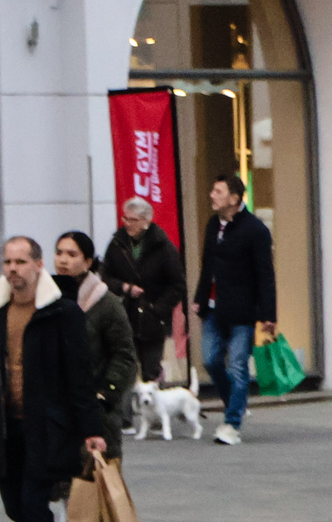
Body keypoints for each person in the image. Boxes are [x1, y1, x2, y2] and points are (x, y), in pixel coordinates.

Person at [0, 235, 108, 522]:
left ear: (38, 265)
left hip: (46, 426)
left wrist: (92, 429)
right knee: (14, 504)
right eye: (8, 262)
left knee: (32, 499)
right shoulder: (1, 311)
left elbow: (80, 376)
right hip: (7, 425)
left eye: (20, 262)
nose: (13, 269)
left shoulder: (61, 313)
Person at [57, 232, 133, 522]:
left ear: (88, 261)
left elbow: (123, 356)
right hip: (58, 408)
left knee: (95, 482)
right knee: (62, 486)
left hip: (97, 407)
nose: (64, 260)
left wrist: (106, 396)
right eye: (59, 253)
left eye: (72, 254)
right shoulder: (49, 299)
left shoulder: (105, 303)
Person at [191, 173, 275, 445]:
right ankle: (235, 405)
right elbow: (208, 266)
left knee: (238, 365)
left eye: (218, 191)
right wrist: (199, 297)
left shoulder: (255, 230)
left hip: (242, 310)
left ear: (234, 197)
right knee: (211, 360)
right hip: (214, 308)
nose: (212, 195)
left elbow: (265, 274)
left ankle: (232, 424)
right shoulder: (213, 225)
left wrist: (268, 314)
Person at [103, 197, 184, 388]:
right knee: (126, 367)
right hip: (125, 314)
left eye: (133, 220)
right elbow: (105, 276)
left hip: (152, 317)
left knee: (150, 369)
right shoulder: (117, 244)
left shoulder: (163, 247)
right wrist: (124, 287)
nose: (127, 224)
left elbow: (177, 285)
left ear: (146, 221)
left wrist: (158, 309)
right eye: (126, 219)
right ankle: (130, 412)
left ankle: (155, 409)